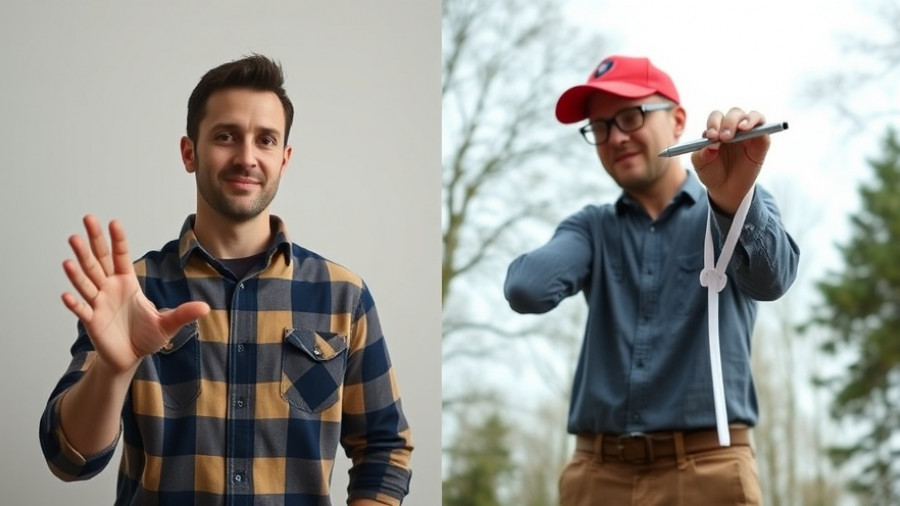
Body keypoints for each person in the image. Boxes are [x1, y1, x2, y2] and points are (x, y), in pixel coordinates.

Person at [39, 54, 412, 506]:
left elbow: (384, 448)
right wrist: (114, 370)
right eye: (225, 136)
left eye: (266, 140)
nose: (247, 157)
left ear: (284, 158)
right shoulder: (130, 290)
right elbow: (69, 459)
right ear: (189, 152)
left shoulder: (343, 296)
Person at [503, 55, 799, 504]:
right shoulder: (592, 227)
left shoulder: (734, 204)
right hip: (597, 476)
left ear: (678, 120)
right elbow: (526, 289)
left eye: (630, 116)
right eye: (599, 127)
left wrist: (733, 201)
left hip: (709, 471)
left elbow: (772, 280)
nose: (615, 137)